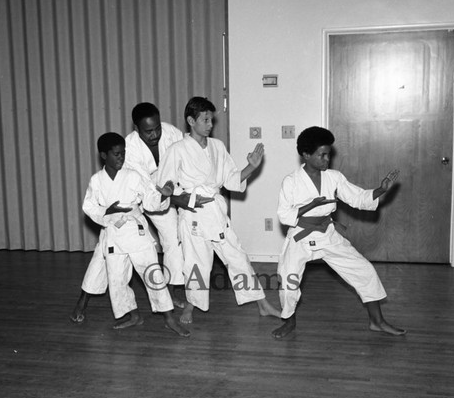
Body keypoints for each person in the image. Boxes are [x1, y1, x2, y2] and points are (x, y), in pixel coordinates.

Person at [272, 126, 406, 339]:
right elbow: (284, 215)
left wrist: (380, 190)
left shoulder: (333, 177)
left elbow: (357, 198)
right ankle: (289, 321)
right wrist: (309, 206)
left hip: (327, 234)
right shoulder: (291, 181)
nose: (327, 159)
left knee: (364, 270)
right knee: (288, 282)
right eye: (322, 155)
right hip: (301, 237)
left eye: (329, 154)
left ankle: (377, 321)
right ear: (306, 155)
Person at [156, 96, 281, 325]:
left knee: (238, 258)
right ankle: (191, 306)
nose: (210, 124)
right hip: (194, 215)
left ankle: (262, 304)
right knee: (196, 264)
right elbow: (163, 187)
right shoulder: (177, 150)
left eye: (211, 120)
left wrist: (251, 167)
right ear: (191, 121)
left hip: (216, 212)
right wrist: (177, 198)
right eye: (205, 120)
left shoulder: (217, 146)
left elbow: (231, 180)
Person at [71, 103, 186, 324]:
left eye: (157, 128)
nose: (154, 135)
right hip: (127, 210)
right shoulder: (126, 151)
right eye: (148, 131)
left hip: (155, 197)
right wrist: (108, 212)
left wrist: (169, 194)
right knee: (105, 260)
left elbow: (181, 161)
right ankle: (89, 303)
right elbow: (92, 205)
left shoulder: (171, 133)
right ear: (137, 128)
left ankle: (170, 296)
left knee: (171, 240)